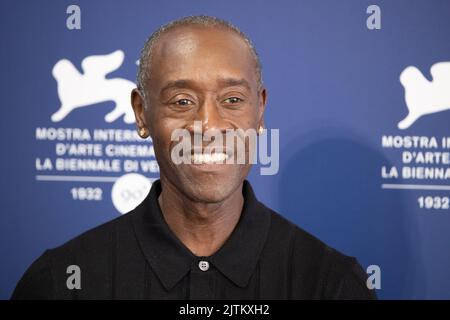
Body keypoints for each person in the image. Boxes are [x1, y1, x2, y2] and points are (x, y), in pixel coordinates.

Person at [12, 15, 376, 299]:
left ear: (260, 110)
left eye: (232, 100)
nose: (208, 125)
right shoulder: (61, 282)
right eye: (182, 102)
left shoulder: (332, 285)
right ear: (141, 113)